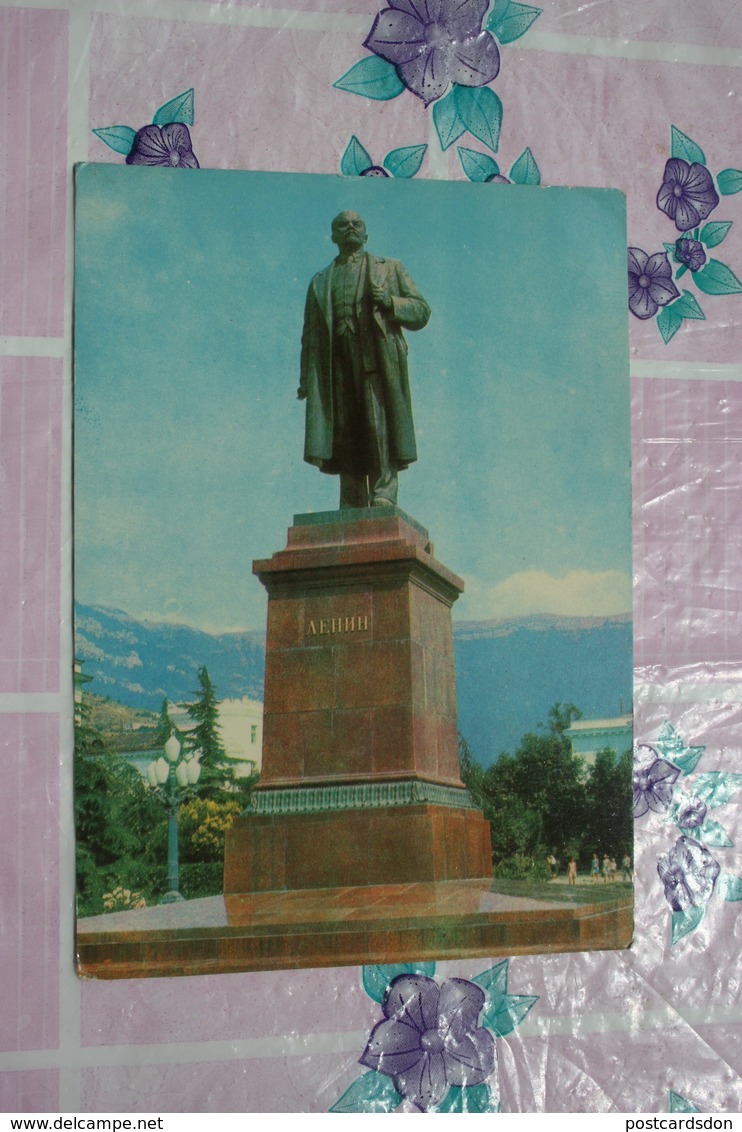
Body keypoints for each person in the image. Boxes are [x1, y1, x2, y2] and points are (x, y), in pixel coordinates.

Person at [299, 211, 431, 509]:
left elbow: (422, 310)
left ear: (366, 235)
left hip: (376, 362)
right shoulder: (320, 281)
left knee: (378, 425)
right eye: (342, 225)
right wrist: (306, 378)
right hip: (337, 365)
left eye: (356, 224)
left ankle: (384, 492)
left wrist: (391, 302)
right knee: (346, 430)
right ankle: (353, 498)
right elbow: (310, 334)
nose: (350, 229)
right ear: (333, 236)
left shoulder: (389, 268)